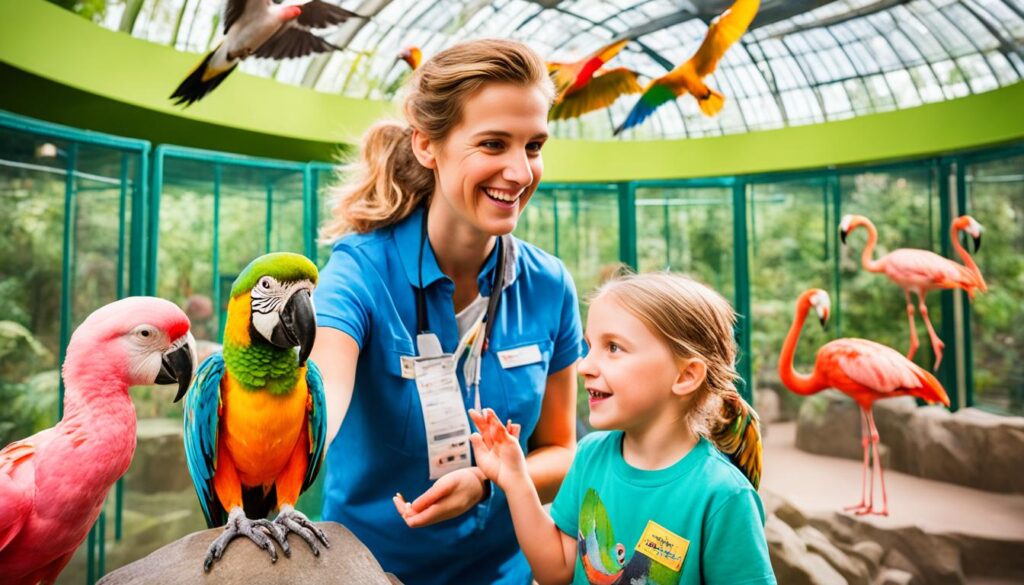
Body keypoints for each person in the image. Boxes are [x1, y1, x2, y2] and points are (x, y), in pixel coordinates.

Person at [309, 38, 583, 585]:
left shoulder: (549, 285)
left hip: (504, 574)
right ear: (426, 145)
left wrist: (489, 480)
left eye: (533, 146)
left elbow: (560, 448)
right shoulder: (359, 273)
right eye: (492, 143)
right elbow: (319, 402)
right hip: (369, 573)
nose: (520, 171)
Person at [470, 272, 776, 585]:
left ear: (685, 375)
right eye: (589, 347)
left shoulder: (724, 496)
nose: (584, 366)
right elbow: (557, 571)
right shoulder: (591, 454)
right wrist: (516, 481)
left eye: (613, 348)